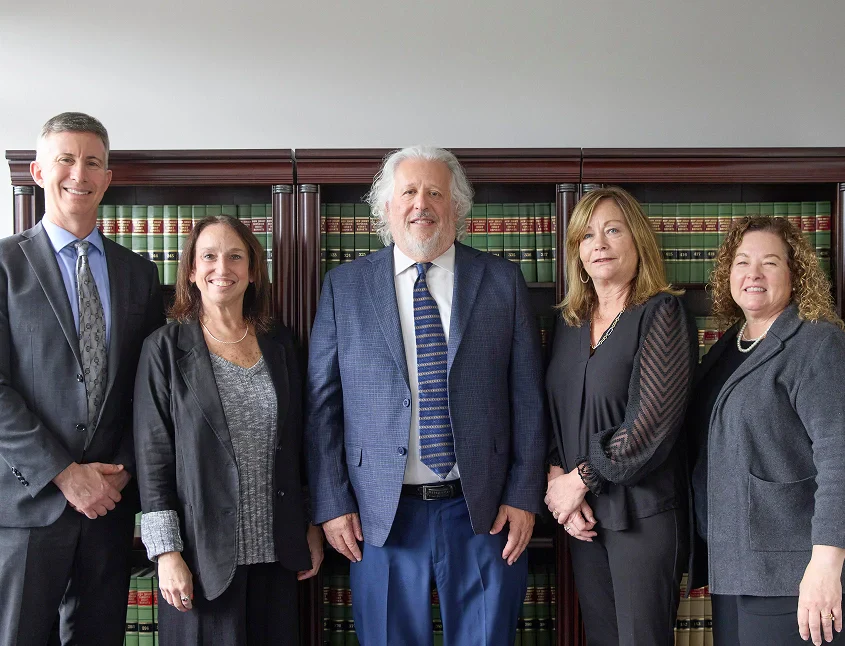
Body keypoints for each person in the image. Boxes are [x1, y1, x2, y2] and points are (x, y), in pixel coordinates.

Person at [305, 145, 547, 645]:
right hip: (380, 516)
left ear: (456, 207)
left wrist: (524, 495)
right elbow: (322, 407)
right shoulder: (343, 288)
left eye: (436, 192)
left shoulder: (501, 281)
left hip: (484, 512)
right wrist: (331, 503)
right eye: (409, 192)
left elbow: (528, 397)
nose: (422, 203)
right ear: (386, 209)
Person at [0, 112, 165, 645]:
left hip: (110, 508)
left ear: (107, 178)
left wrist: (122, 472)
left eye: (93, 162)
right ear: (38, 171)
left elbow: (151, 386)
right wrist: (65, 474)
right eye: (66, 159)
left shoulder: (139, 272)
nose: (80, 172)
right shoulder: (5, 265)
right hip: (29, 508)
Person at [133, 215, 323, 645]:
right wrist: (166, 553)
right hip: (201, 564)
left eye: (236, 256)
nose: (224, 268)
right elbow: (153, 460)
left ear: (253, 271)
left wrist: (311, 524)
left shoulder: (281, 344)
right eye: (210, 257)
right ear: (193, 271)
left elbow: (300, 444)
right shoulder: (163, 350)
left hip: (278, 556)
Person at [544, 186, 697, 645]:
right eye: (587, 236)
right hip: (582, 518)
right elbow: (553, 412)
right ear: (577, 253)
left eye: (613, 230)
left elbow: (650, 426)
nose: (600, 244)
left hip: (643, 517)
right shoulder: (570, 322)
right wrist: (557, 481)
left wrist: (578, 480)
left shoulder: (662, 313)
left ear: (639, 242)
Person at [687, 216, 845, 646]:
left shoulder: (816, 342)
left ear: (796, 275)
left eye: (770, 263)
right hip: (732, 565)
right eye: (742, 262)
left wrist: (826, 565)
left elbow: (840, 456)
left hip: (791, 573)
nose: (753, 274)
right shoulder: (727, 345)